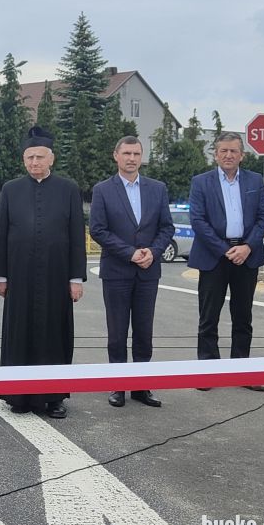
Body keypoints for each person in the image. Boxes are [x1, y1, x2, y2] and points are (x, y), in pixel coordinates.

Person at [0, 127, 86, 419]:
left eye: (40, 157)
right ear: (24, 159)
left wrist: (76, 278)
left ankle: (54, 397)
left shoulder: (68, 189)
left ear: (51, 158)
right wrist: (1, 275)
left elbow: (76, 235)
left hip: (57, 277)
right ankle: (18, 396)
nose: (34, 162)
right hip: (19, 276)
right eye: (30, 157)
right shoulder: (10, 189)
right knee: (19, 334)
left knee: (54, 336)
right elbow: (2, 233)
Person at [89, 136, 174, 408]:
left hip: (148, 271)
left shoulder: (157, 189)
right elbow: (98, 229)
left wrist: (153, 252)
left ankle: (141, 386)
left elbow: (167, 227)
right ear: (116, 155)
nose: (132, 158)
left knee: (144, 332)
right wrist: (129, 253)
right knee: (117, 332)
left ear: (142, 156)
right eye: (126, 153)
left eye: (136, 153)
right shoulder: (103, 190)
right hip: (117, 272)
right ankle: (118, 385)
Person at [187, 132, 264, 391]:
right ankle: (208, 372)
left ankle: (241, 372)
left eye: (233, 151)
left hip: (247, 255)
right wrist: (225, 250)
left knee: (243, 316)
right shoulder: (201, 182)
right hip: (214, 256)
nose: (228, 155)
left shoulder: (255, 180)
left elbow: (263, 217)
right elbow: (198, 221)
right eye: (223, 150)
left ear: (242, 155)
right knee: (208, 317)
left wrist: (247, 247)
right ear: (215, 154)